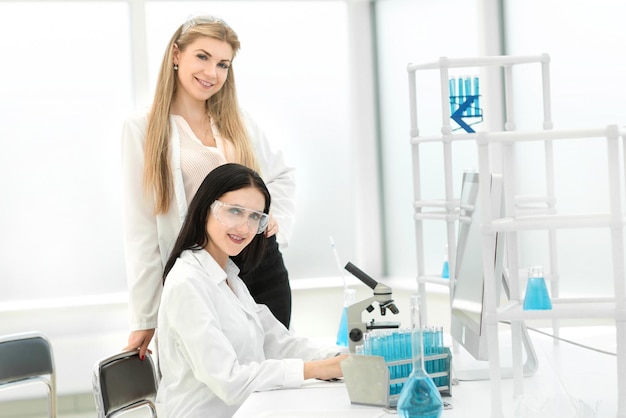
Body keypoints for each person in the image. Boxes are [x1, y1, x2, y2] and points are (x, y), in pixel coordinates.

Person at [121, 14, 295, 359]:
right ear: (176, 54)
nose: (211, 73)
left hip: (261, 265)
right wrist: (145, 315)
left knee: (274, 374)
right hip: (202, 275)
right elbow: (141, 228)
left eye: (223, 64)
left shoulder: (237, 120)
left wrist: (273, 216)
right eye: (202, 56)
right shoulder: (142, 128)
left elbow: (281, 177)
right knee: (222, 384)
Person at [156, 163, 347, 417]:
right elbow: (229, 381)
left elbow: (278, 343)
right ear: (205, 210)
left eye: (255, 217)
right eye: (234, 211)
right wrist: (317, 370)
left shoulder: (230, 278)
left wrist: (340, 358)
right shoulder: (187, 283)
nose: (245, 228)